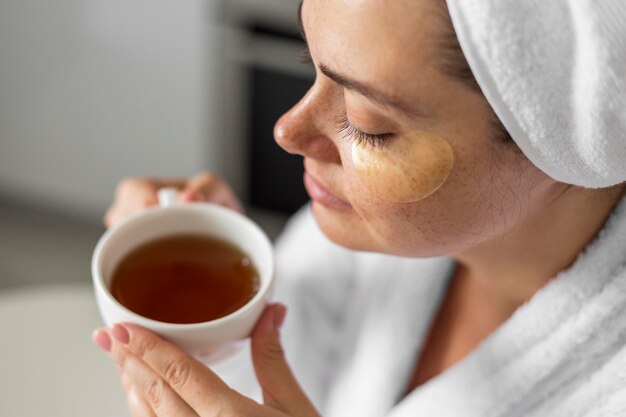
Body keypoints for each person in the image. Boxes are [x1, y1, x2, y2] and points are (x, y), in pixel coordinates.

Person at [92, 1, 626, 416]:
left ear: (558, 145)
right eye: (314, 67)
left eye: (367, 124)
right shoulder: (370, 238)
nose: (287, 131)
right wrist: (219, 299)